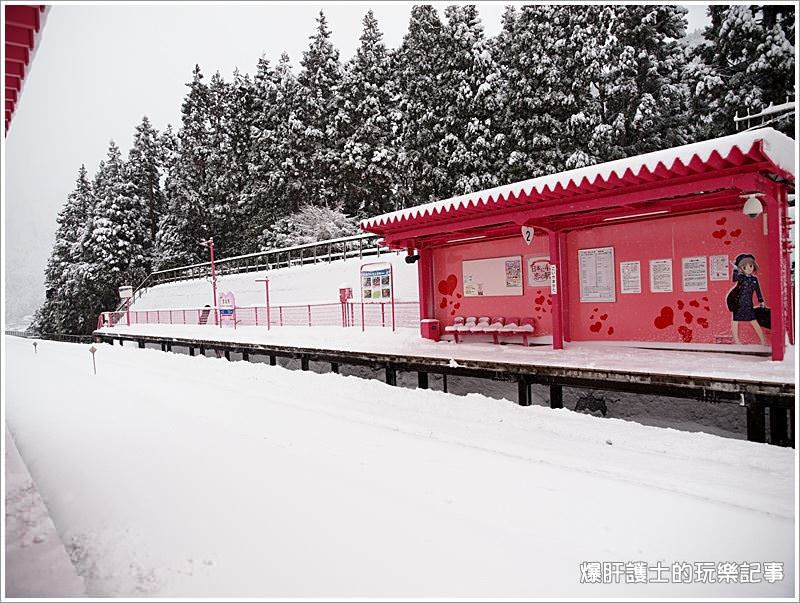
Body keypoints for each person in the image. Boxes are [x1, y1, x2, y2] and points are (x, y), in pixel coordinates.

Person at [731, 253, 766, 345]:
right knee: (735, 320)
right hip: (738, 302)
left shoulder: (754, 279)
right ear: (741, 268)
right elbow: (734, 279)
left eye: (751, 266)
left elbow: (758, 290)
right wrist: (735, 270)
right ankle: (737, 341)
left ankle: (762, 340)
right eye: (745, 267)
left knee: (753, 320)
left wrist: (761, 300)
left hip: (748, 303)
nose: (749, 268)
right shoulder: (741, 278)